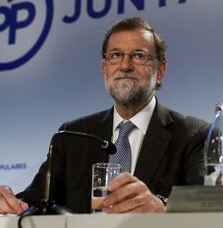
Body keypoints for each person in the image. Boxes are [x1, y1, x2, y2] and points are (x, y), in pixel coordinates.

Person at [0, 17, 209, 214]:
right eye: (116, 55)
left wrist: (162, 208)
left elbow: (208, 203)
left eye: (139, 56)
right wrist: (9, 204)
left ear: (160, 71)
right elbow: (35, 201)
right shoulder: (71, 136)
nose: (125, 66)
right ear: (104, 70)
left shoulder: (194, 135)